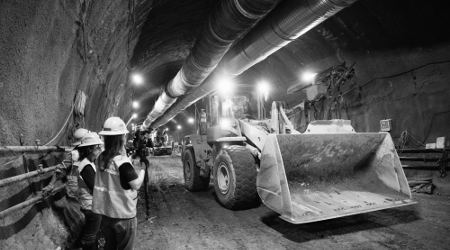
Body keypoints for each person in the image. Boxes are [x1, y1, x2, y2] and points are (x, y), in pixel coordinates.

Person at [93, 117, 145, 250]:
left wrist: (126, 156)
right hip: (123, 216)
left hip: (106, 214)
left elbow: (113, 176)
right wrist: (143, 169)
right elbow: (136, 184)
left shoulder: (100, 158)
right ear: (122, 138)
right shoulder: (122, 162)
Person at [73, 132, 103, 250]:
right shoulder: (86, 166)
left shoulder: (87, 163)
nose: (99, 150)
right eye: (97, 147)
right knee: (89, 240)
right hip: (91, 208)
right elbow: (96, 188)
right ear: (90, 149)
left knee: (91, 237)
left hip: (89, 204)